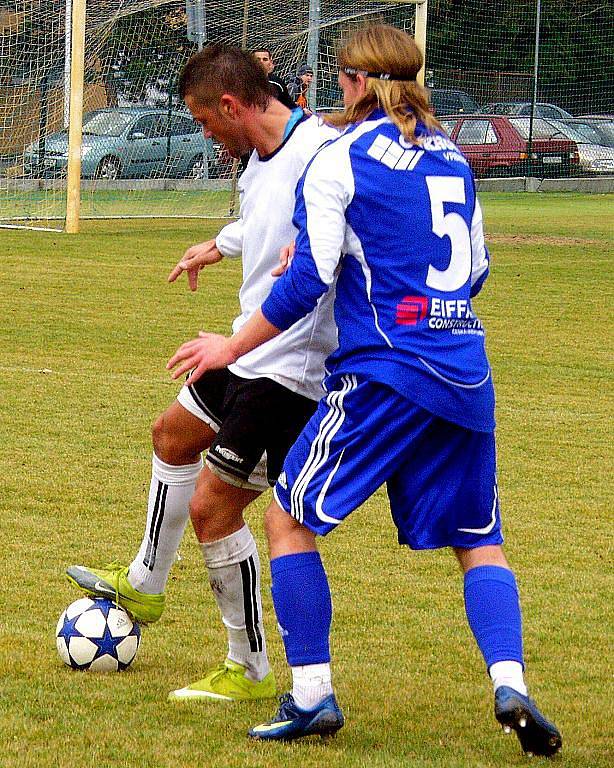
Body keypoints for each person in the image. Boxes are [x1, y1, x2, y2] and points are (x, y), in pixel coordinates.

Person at [166, 25, 562, 757]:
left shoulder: (339, 157)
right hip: (465, 373)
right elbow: (474, 273)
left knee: (288, 519)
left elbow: (309, 281)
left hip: (386, 372)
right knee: (481, 545)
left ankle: (311, 696)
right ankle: (511, 683)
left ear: (350, 82)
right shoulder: (452, 158)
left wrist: (231, 344)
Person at [66, 43, 338, 702]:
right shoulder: (257, 163)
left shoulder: (322, 155)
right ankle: (147, 585)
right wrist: (220, 245)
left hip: (292, 369)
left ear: (230, 104)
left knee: (216, 509)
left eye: (204, 120)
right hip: (247, 348)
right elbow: (266, 224)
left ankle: (247, 667)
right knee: (171, 434)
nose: (204, 134)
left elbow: (330, 240)